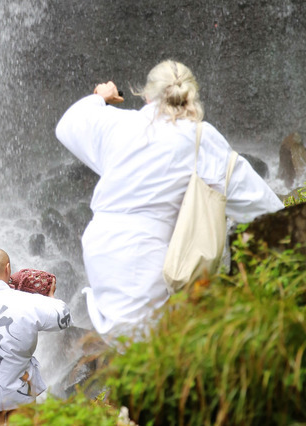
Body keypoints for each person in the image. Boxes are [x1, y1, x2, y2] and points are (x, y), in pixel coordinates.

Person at [55, 60, 284, 346]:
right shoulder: (199, 136)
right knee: (155, 344)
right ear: (191, 96)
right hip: (144, 255)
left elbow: (69, 124)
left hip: (100, 249)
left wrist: (100, 97)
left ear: (147, 96)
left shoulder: (117, 123)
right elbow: (261, 206)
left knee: (136, 343)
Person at [0, 248, 71, 425]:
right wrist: (50, 297)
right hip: (21, 389)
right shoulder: (28, 301)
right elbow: (64, 318)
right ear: (8, 269)